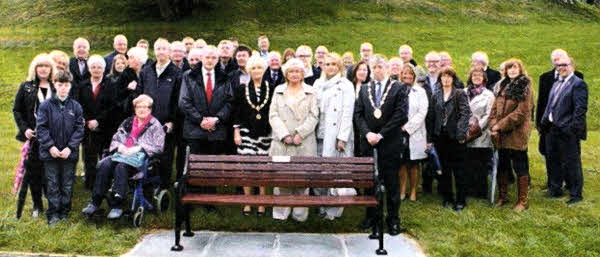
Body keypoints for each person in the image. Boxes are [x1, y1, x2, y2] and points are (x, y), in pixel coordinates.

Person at [82, 94, 166, 219]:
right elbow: (116, 138)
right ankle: (95, 202)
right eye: (139, 107)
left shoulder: (155, 125)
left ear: (150, 109)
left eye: (145, 107)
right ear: (135, 108)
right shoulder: (128, 122)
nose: (142, 109)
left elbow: (159, 147)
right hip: (121, 154)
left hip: (139, 160)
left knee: (121, 167)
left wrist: (139, 148)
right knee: (104, 165)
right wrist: (120, 147)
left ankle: (117, 205)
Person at [354, 54, 409, 235]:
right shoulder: (364, 89)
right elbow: (358, 114)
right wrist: (368, 133)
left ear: (387, 68)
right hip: (368, 142)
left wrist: (381, 134)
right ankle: (371, 217)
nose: (377, 70)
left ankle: (393, 219)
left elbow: (401, 115)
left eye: (380, 66)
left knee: (391, 182)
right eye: (374, 67)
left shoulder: (399, 88)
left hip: (389, 142)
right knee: (370, 182)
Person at [179, 45, 233, 212]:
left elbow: (230, 102)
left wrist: (216, 119)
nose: (210, 61)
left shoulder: (225, 77)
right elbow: (184, 102)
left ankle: (210, 202)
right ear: (202, 58)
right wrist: (200, 120)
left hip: (216, 130)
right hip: (194, 130)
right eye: (207, 57)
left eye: (213, 58)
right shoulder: (189, 76)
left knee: (212, 167)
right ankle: (191, 201)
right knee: (193, 166)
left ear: (217, 60)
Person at [269, 58, 319, 222]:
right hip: (282, 142)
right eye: (291, 71)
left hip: (303, 142)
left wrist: (300, 133)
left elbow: (314, 116)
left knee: (302, 178)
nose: (295, 74)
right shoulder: (278, 90)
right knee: (281, 178)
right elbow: (273, 115)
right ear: (286, 74)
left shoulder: (311, 91)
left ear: (303, 73)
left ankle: (299, 214)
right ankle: (281, 214)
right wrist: (285, 135)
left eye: (298, 71)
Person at [36, 70, 84, 225]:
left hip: (69, 153)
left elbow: (79, 129)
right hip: (51, 154)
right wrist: (50, 146)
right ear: (54, 85)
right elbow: (41, 128)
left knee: (67, 182)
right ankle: (53, 212)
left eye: (66, 85)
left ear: (70, 86)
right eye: (60, 84)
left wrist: (70, 147)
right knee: (53, 182)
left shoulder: (75, 106)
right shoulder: (45, 106)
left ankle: (65, 211)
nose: (63, 88)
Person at [13, 53, 56, 219]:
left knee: (50, 172)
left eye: (46, 66)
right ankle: (37, 205)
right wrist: (25, 129)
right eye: (40, 66)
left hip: (52, 138)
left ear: (51, 68)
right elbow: (17, 110)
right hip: (33, 137)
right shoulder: (26, 87)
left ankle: (53, 203)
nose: (43, 69)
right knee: (34, 172)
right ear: (35, 68)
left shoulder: (56, 87)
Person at [313, 53, 355, 220]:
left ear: (339, 67)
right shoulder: (318, 83)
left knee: (335, 171)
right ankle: (320, 205)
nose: (329, 67)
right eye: (327, 64)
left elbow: (347, 112)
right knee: (319, 171)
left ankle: (334, 209)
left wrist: (342, 137)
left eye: (333, 64)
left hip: (336, 133)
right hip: (318, 132)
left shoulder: (345, 85)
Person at [540, 56, 587, 204]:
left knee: (571, 163)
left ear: (571, 65)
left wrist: (572, 129)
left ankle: (575, 194)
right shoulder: (556, 83)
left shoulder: (578, 84)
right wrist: (545, 121)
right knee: (552, 160)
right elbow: (550, 104)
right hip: (552, 129)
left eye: (564, 65)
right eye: (558, 65)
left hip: (567, 131)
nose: (561, 68)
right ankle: (555, 189)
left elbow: (580, 109)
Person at [489, 59, 533, 212]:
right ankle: (503, 196)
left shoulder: (525, 86)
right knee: (503, 164)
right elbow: (494, 107)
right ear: (505, 71)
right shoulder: (502, 85)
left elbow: (521, 113)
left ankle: (523, 201)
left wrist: (499, 126)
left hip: (516, 133)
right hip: (501, 133)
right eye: (509, 68)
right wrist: (493, 124)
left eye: (515, 68)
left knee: (520, 165)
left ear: (520, 69)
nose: (512, 71)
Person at [232, 55, 274, 216]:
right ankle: (248, 202)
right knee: (246, 168)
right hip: (246, 133)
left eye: (260, 68)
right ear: (249, 70)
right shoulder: (241, 89)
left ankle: (262, 203)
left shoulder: (271, 87)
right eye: (254, 68)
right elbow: (236, 111)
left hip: (265, 134)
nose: (257, 71)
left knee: (263, 169)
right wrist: (236, 131)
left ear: (264, 70)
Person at [139, 38, 182, 190]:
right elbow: (139, 96)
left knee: (165, 156)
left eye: (164, 48)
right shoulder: (146, 71)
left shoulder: (177, 73)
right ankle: (147, 185)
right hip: (147, 123)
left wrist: (172, 121)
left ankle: (163, 187)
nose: (161, 51)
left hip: (166, 124)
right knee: (147, 154)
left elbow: (178, 100)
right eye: (158, 48)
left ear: (169, 52)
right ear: (154, 51)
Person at [430, 67, 471, 211]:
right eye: (443, 76)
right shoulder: (436, 94)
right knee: (444, 169)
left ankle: (461, 200)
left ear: (453, 79)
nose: (446, 79)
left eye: (449, 76)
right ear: (440, 79)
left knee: (459, 170)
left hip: (455, 137)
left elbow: (465, 114)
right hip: (440, 136)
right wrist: (432, 136)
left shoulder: (459, 93)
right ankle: (447, 198)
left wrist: (461, 134)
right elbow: (432, 116)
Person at [78, 55, 115, 189]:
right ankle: (90, 182)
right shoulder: (82, 86)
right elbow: (79, 105)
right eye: (93, 67)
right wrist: (88, 120)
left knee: (104, 156)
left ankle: (105, 183)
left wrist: (98, 121)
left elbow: (112, 106)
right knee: (89, 156)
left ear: (104, 69)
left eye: (99, 67)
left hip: (105, 126)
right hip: (87, 127)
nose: (96, 70)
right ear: (89, 69)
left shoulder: (110, 85)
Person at [464, 68, 495, 199]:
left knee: (480, 164)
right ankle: (469, 190)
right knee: (468, 163)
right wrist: (465, 130)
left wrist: (476, 129)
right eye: (474, 75)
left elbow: (489, 115)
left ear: (484, 78)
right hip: (465, 133)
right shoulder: (463, 92)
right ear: (470, 77)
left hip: (481, 134)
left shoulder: (489, 95)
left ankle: (481, 192)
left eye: (479, 75)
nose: (476, 77)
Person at [399, 64, 429, 201]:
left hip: (415, 132)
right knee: (402, 163)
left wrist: (408, 127)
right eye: (404, 74)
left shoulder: (420, 91)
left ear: (414, 76)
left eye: (410, 74)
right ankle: (402, 191)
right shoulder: (396, 89)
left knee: (414, 164)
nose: (407, 76)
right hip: (399, 131)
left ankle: (413, 192)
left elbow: (423, 112)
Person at [417, 51, 441, 194]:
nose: (432, 64)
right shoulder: (421, 81)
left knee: (440, 154)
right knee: (426, 154)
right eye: (429, 61)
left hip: (441, 124)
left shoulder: (447, 78)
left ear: (440, 63)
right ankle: (426, 185)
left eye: (435, 61)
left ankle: (441, 184)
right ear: (425, 63)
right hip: (424, 123)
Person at [350, 60, 371, 157]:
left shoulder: (371, 87)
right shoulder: (349, 86)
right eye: (360, 69)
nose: (362, 72)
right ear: (355, 71)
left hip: (365, 124)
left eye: (365, 70)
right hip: (351, 124)